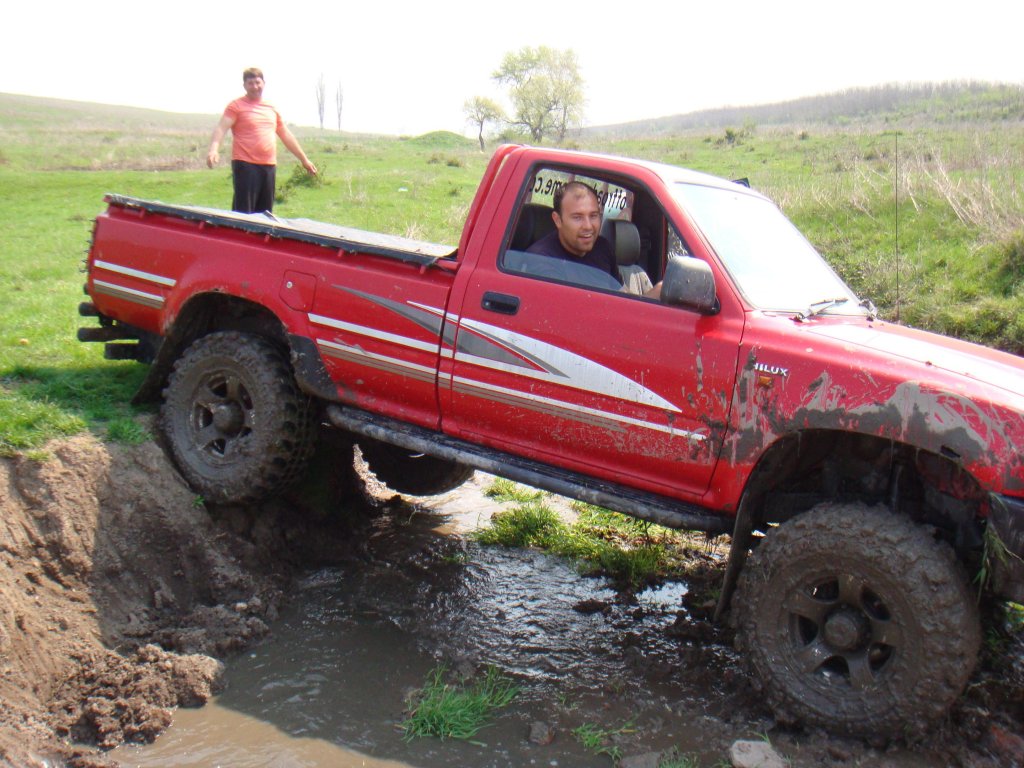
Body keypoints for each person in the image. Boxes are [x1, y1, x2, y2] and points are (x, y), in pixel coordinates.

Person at [206, 67, 318, 214]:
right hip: (245, 164)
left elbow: (285, 134)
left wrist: (304, 160)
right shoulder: (236, 106)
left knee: (265, 214)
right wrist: (214, 150)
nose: (255, 87)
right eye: (250, 83)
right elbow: (221, 128)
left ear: (264, 83)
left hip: (268, 165)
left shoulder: (271, 108)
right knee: (244, 213)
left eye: (257, 82)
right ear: (244, 86)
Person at [527, 182, 661, 298]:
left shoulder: (602, 248)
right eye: (577, 217)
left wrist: (655, 295)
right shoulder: (541, 260)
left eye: (593, 216)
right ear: (557, 220)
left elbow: (624, 299)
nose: (588, 226)